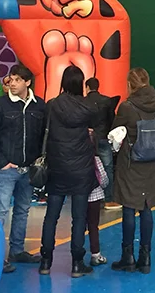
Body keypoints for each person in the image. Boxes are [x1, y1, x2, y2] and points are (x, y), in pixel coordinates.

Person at [0, 64, 46, 273]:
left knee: (22, 210)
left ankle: (17, 251)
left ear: (28, 82)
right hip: (7, 168)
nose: (12, 83)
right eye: (11, 79)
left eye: (18, 80)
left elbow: (43, 135)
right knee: (0, 211)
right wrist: (1, 162)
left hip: (29, 169)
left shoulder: (39, 106)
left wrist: (40, 161)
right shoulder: (0, 105)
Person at [39, 65, 98, 278]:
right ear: (80, 83)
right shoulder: (87, 108)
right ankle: (77, 264)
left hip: (57, 168)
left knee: (51, 216)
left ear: (63, 82)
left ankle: (45, 261)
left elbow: (43, 132)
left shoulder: (52, 105)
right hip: (81, 169)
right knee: (79, 218)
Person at [110, 68, 155, 274]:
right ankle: (146, 256)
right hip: (152, 161)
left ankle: (128, 257)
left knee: (129, 207)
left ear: (130, 84)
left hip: (131, 162)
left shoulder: (127, 106)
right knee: (147, 207)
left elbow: (115, 130)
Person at [84, 77, 121, 210]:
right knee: (107, 168)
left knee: (87, 168)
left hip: (88, 139)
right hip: (104, 137)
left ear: (87, 87)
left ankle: (88, 198)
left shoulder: (83, 101)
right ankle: (108, 199)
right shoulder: (107, 101)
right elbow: (112, 120)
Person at [88, 141, 109, 267]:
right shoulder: (96, 160)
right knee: (93, 226)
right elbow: (104, 179)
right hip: (95, 197)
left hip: (79, 196)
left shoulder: (74, 159)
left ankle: (76, 257)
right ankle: (95, 254)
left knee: (78, 225)